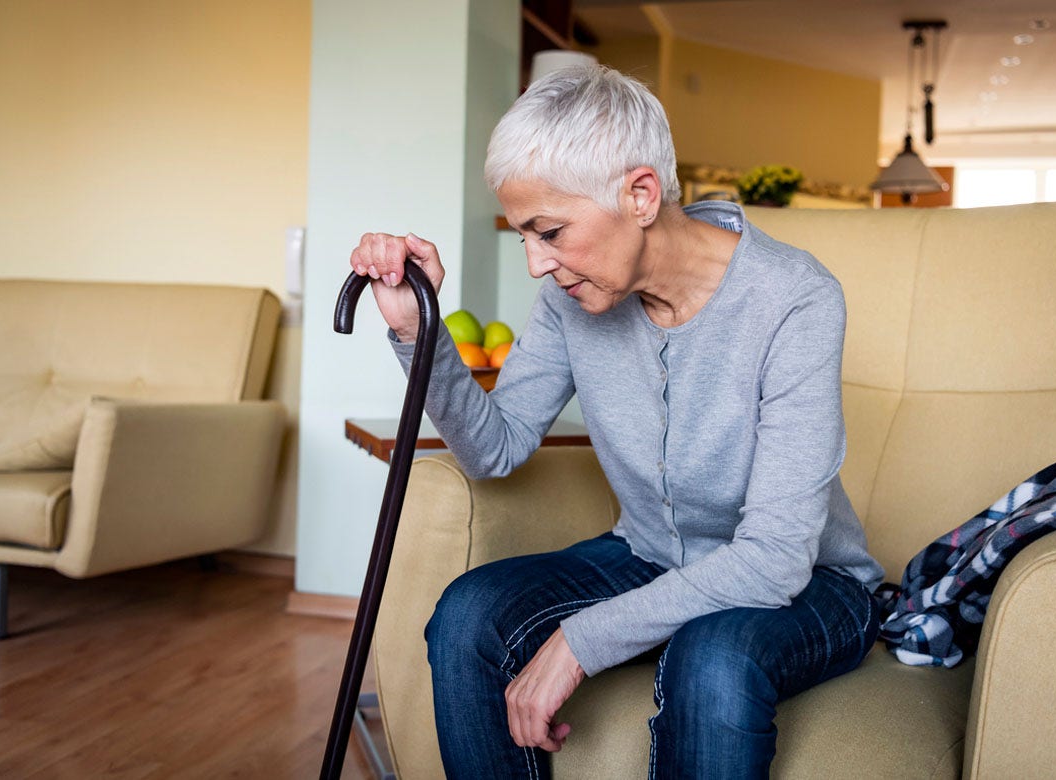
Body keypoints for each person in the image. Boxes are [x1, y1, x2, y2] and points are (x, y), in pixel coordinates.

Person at [349, 65, 885, 779]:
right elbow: (495, 448)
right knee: (466, 616)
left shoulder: (795, 298)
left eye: (550, 232)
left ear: (639, 194)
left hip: (812, 581)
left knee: (715, 658)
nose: (537, 264)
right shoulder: (575, 300)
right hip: (650, 552)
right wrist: (422, 334)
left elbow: (776, 559)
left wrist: (580, 639)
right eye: (524, 238)